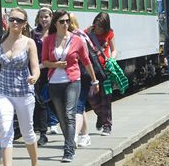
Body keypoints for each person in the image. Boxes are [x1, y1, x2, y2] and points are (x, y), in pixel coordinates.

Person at [0, 7, 39, 166]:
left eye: (19, 20)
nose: (14, 22)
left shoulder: (29, 42)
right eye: (12, 19)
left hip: (24, 93)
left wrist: (34, 77)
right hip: (3, 92)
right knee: (5, 131)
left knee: (27, 133)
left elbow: (35, 67)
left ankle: (35, 163)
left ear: (24, 24)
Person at [41, 9, 99, 162]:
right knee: (61, 118)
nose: (65, 24)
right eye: (62, 21)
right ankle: (70, 143)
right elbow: (44, 61)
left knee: (69, 114)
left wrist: (94, 80)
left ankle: (68, 150)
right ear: (56, 23)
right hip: (54, 82)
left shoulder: (77, 39)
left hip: (73, 81)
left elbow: (86, 61)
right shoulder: (48, 40)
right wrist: (56, 64)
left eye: (67, 21)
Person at [85, 12, 117, 136]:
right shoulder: (88, 32)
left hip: (106, 70)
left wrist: (112, 59)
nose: (98, 29)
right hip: (92, 70)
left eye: (101, 27)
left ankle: (107, 125)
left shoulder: (110, 33)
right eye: (96, 26)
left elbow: (114, 50)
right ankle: (100, 115)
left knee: (106, 98)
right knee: (92, 97)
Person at [68, 13, 92, 148]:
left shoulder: (79, 36)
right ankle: (85, 135)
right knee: (80, 107)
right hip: (73, 75)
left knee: (78, 106)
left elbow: (85, 58)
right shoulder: (67, 37)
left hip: (82, 74)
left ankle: (74, 137)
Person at [31, 7, 53, 146]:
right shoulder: (34, 34)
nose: (44, 19)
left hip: (54, 70)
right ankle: (42, 133)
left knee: (57, 102)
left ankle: (69, 129)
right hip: (37, 71)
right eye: (41, 17)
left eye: (46, 17)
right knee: (40, 101)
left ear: (51, 17)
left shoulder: (55, 33)